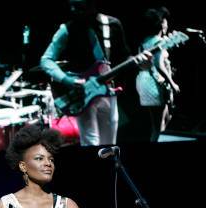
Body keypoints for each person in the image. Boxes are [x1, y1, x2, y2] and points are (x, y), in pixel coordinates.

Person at [41, 0, 150, 146]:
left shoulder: (112, 24)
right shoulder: (67, 29)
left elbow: (125, 56)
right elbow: (46, 60)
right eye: (72, 5)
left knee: (109, 145)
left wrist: (140, 62)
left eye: (80, 6)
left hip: (108, 91)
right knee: (90, 142)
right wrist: (68, 80)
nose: (74, 9)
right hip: (82, 94)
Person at [135, 7, 180, 142]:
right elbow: (159, 64)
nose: (167, 24)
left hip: (144, 81)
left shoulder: (144, 42)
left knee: (163, 120)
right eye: (165, 21)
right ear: (161, 24)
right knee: (158, 126)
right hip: (154, 83)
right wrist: (172, 83)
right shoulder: (159, 41)